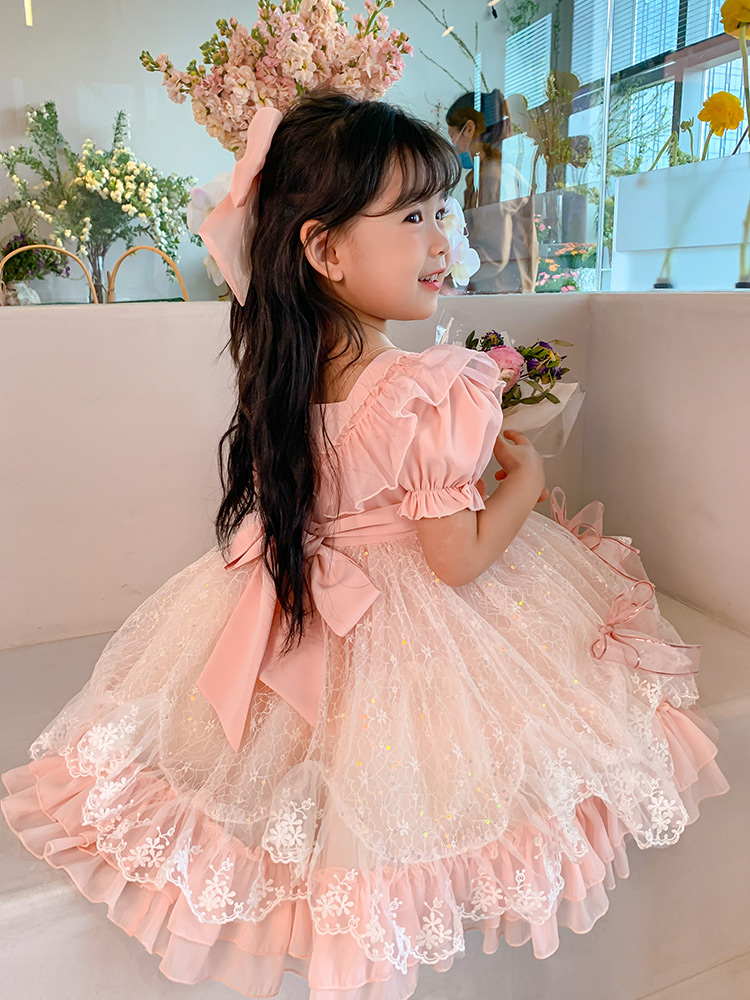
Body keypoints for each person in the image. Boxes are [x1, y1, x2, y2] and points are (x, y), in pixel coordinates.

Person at [1, 88, 729, 999]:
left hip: (302, 590)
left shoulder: (285, 359)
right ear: (325, 248)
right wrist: (528, 482)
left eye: (443, 213)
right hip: (403, 612)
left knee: (294, 759)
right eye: (414, 217)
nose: (443, 243)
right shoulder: (427, 386)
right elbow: (455, 560)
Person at [446, 89, 539, 293]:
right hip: (503, 292)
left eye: (452, 135)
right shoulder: (496, 172)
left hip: (498, 293)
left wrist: (446, 275)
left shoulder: (491, 176)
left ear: (469, 128)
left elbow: (492, 255)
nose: (454, 144)